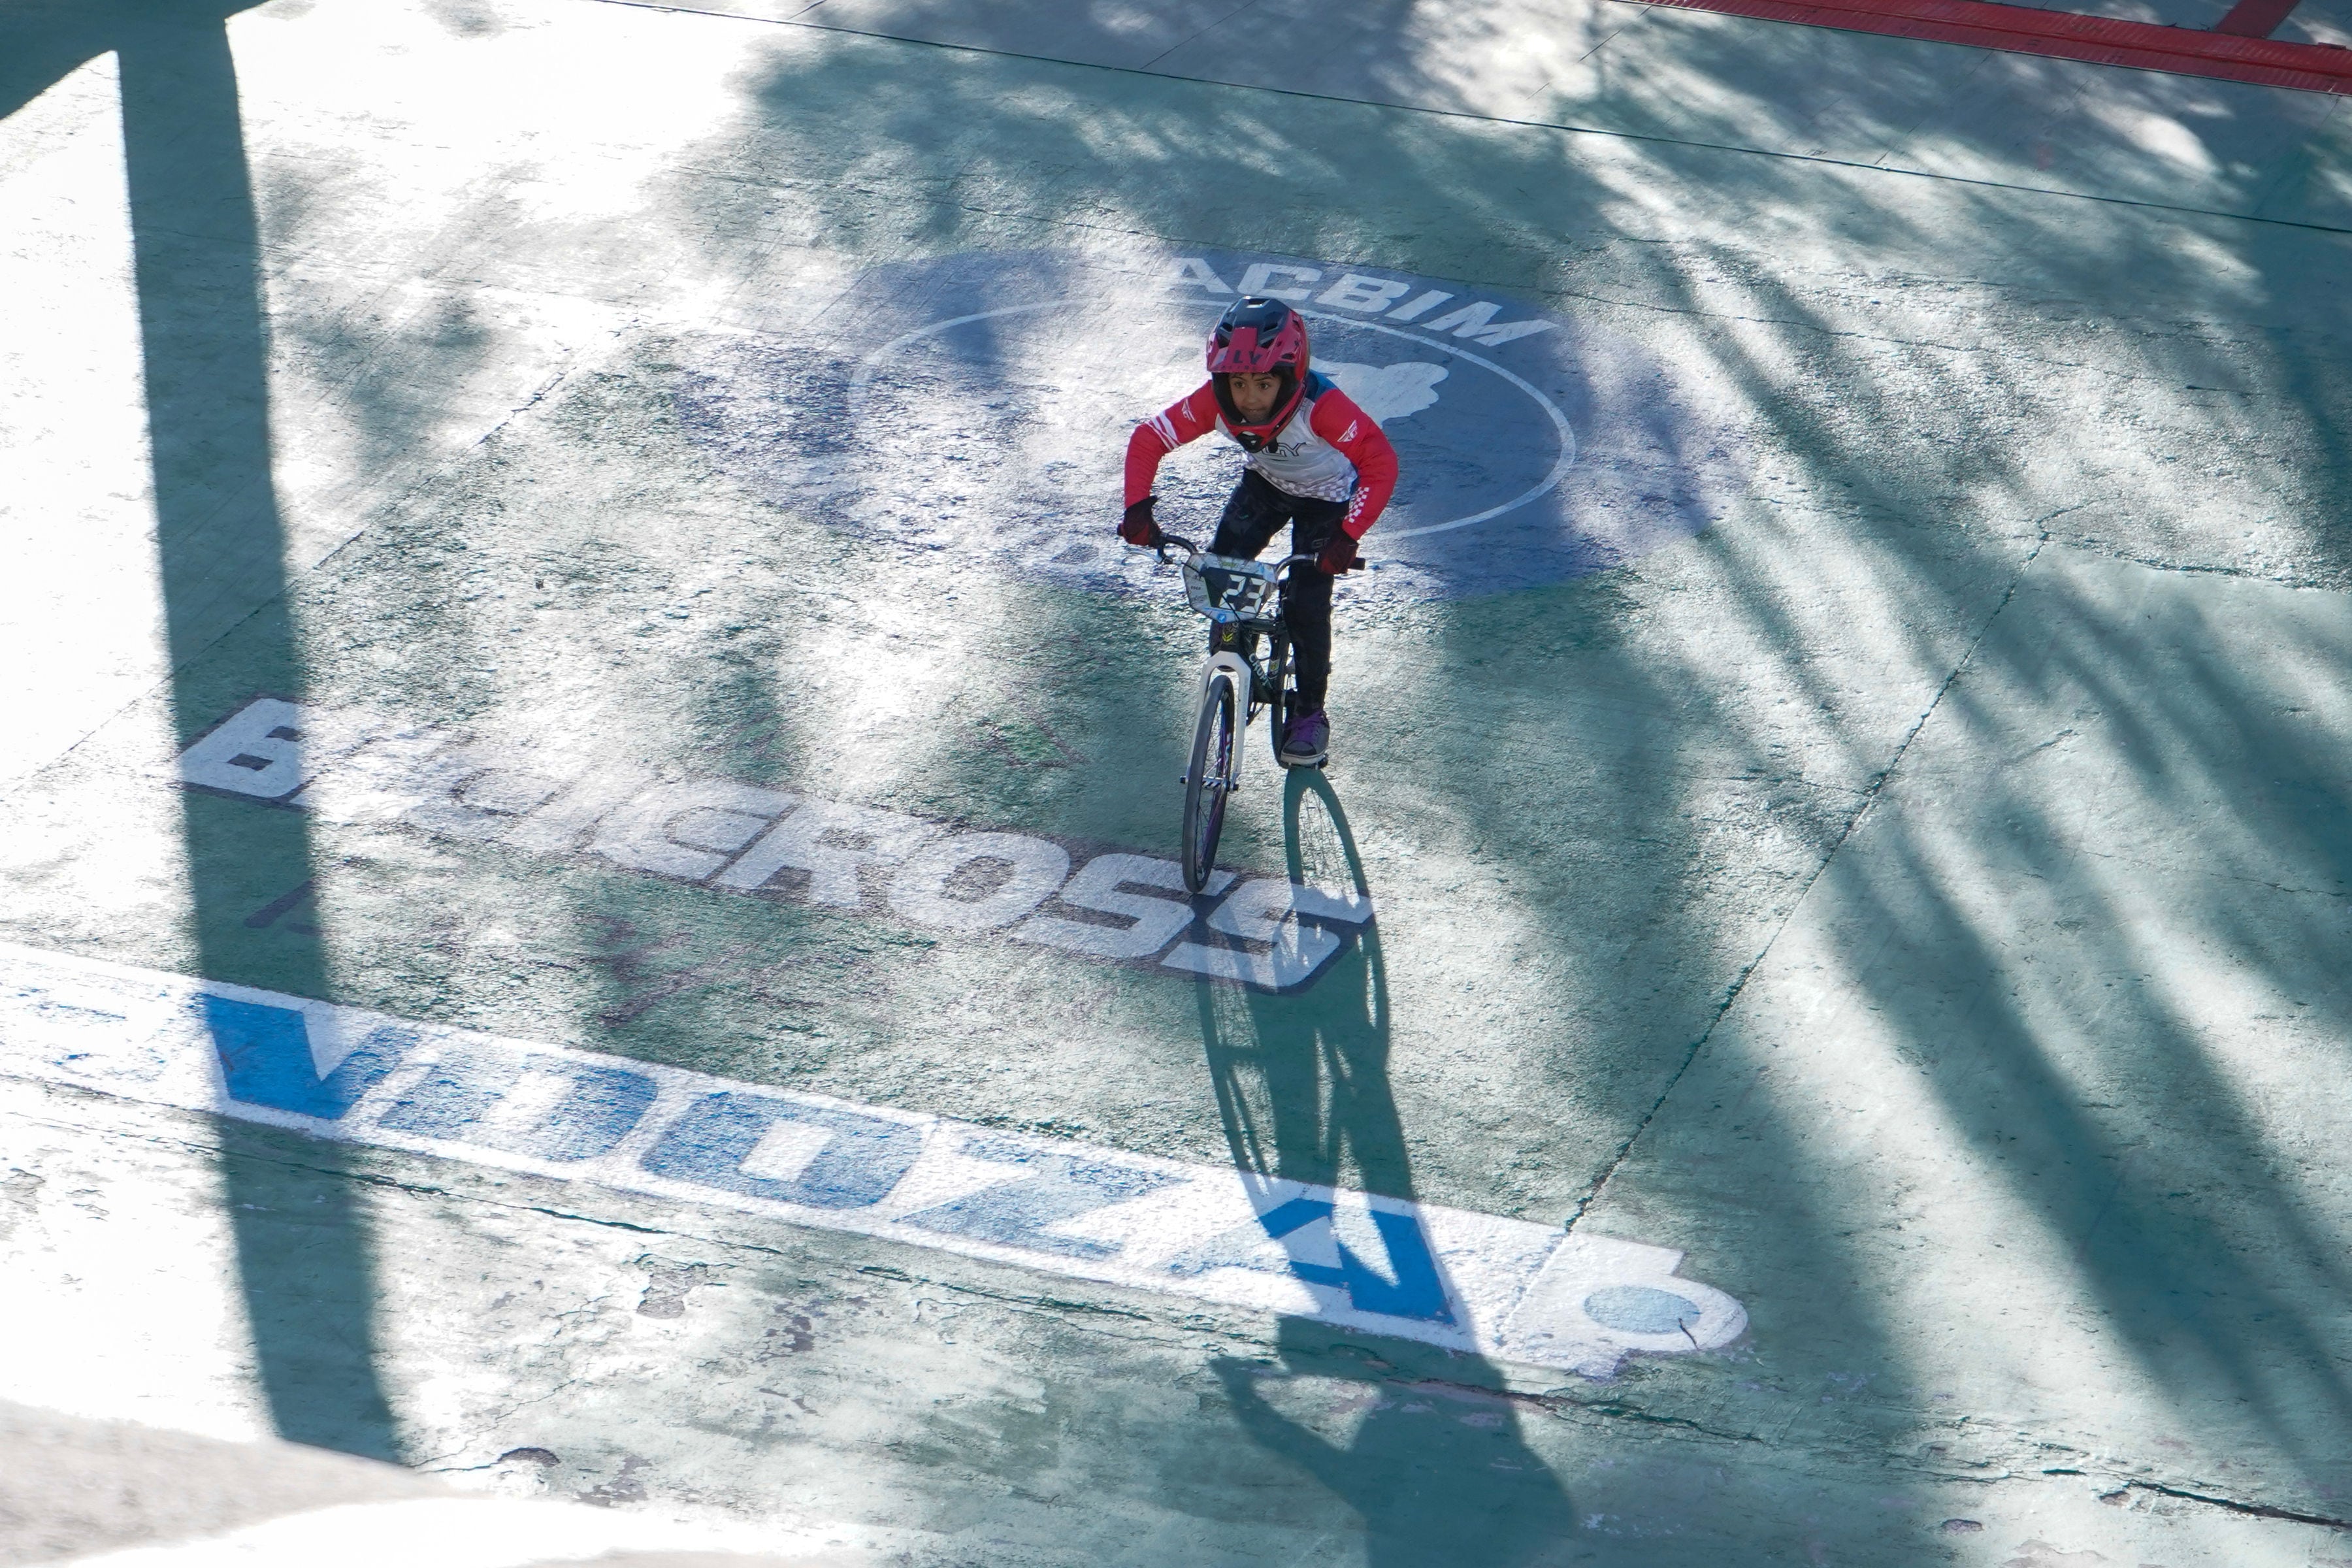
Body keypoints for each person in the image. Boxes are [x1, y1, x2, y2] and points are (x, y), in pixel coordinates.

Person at [1119, 296, 1399, 768]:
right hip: (1265, 484)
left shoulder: (1324, 409)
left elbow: (1380, 463)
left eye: (1264, 384)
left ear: (1289, 379)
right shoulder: (1213, 403)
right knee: (1221, 570)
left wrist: (1347, 536)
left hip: (1327, 498)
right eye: (1238, 383)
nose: (1249, 398)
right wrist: (1137, 510)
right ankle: (1233, 656)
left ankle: (1309, 712)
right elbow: (1149, 439)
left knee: (1308, 601)